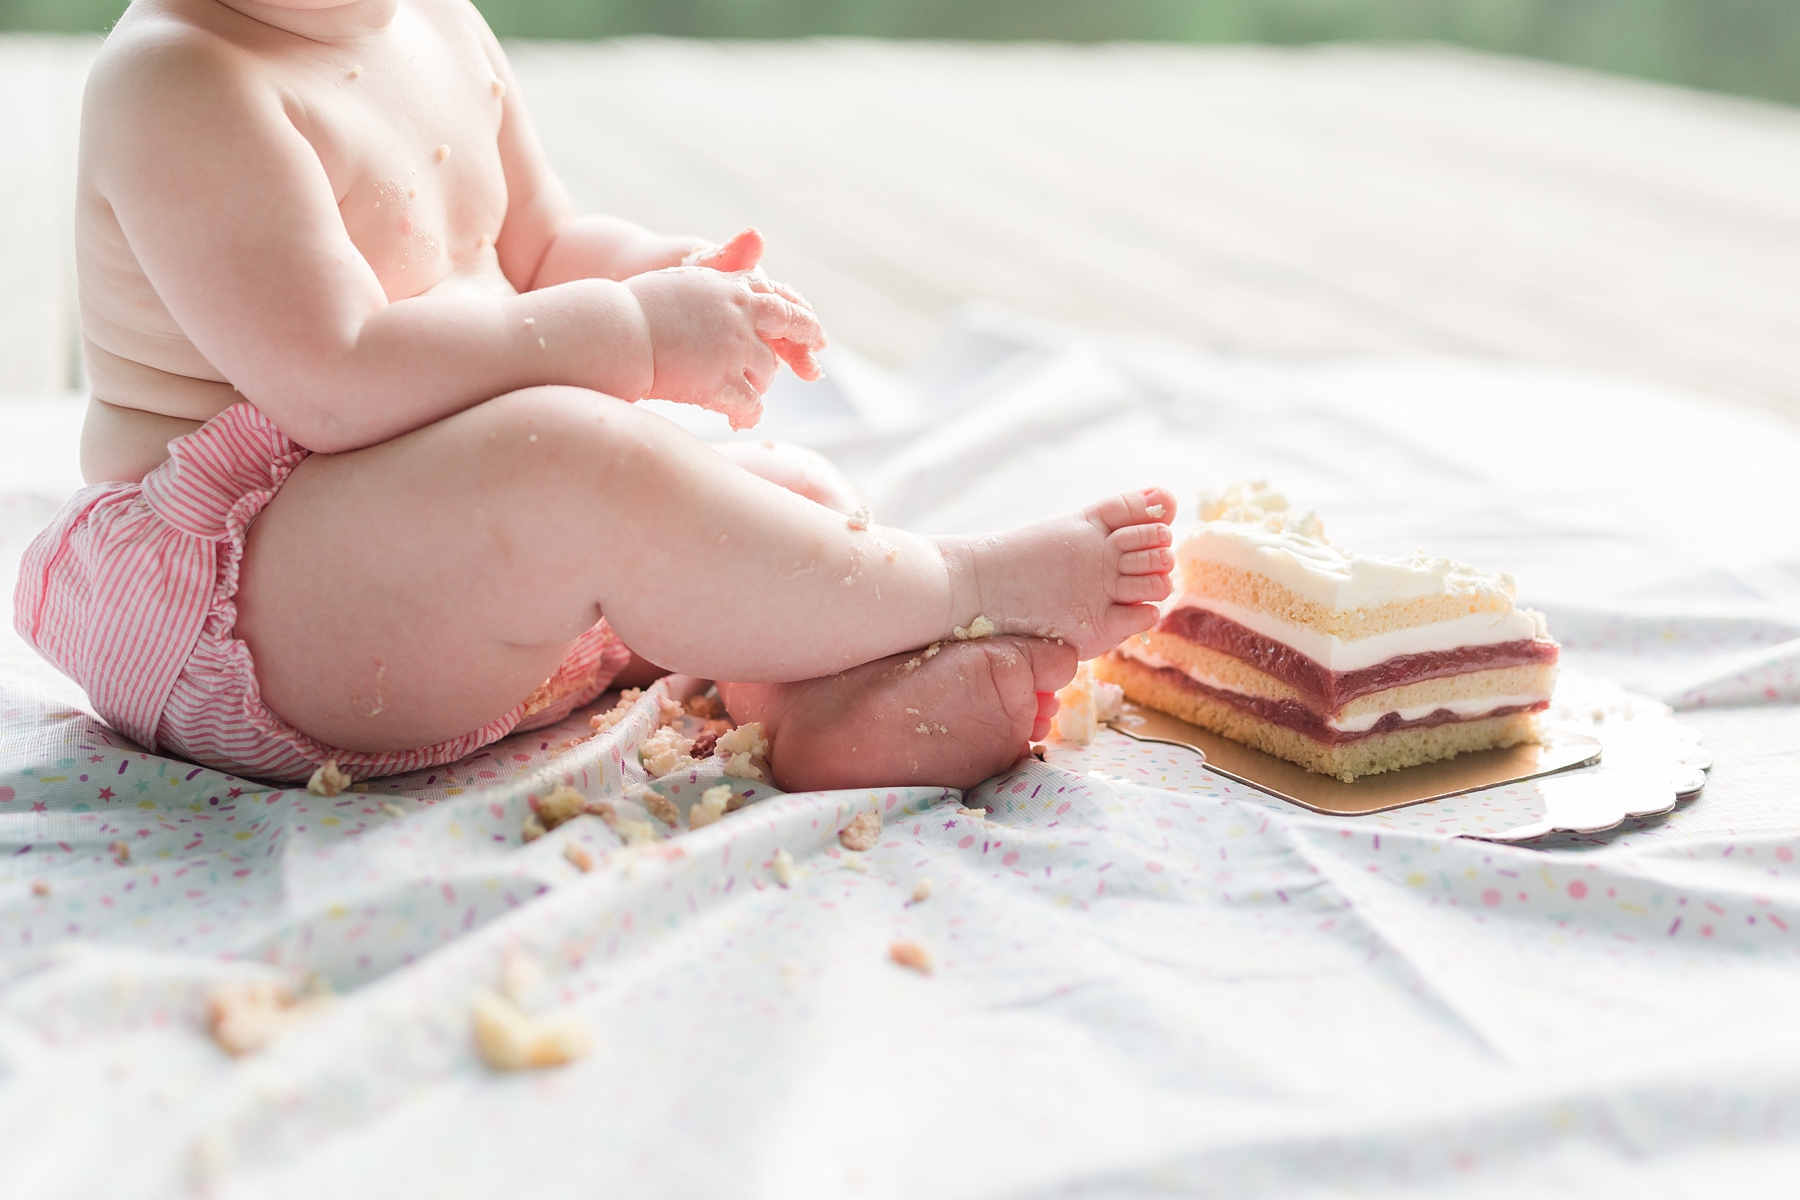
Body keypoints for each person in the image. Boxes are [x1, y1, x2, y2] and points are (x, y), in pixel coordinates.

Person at [14, 0, 1176, 793]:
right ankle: (960, 585)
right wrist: (628, 335)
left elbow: (539, 245)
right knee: (579, 465)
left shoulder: (434, 22)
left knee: (785, 499)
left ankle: (803, 711)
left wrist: (647, 274)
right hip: (244, 604)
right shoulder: (183, 78)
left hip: (441, 578)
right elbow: (334, 381)